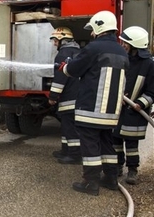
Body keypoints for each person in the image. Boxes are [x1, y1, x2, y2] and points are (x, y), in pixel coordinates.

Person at [58, 10, 129, 196]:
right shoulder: (122, 51)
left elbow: (73, 70)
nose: (91, 34)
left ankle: (91, 183)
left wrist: (65, 66)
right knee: (107, 143)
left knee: (89, 145)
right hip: (111, 112)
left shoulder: (93, 48)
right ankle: (111, 179)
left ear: (99, 27)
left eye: (93, 29)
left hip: (91, 108)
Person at [113, 26, 154, 185]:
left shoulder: (149, 65)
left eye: (125, 42)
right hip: (119, 108)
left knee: (131, 143)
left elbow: (152, 91)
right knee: (114, 139)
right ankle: (117, 167)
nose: (122, 44)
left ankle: (132, 170)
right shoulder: (122, 59)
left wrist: (140, 103)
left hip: (135, 112)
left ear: (134, 45)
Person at [48, 27, 82, 164]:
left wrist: (52, 96)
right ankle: (66, 150)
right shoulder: (78, 52)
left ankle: (74, 155)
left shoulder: (63, 54)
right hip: (78, 96)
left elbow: (60, 78)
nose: (54, 43)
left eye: (56, 40)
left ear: (63, 40)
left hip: (69, 97)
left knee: (70, 127)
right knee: (67, 126)